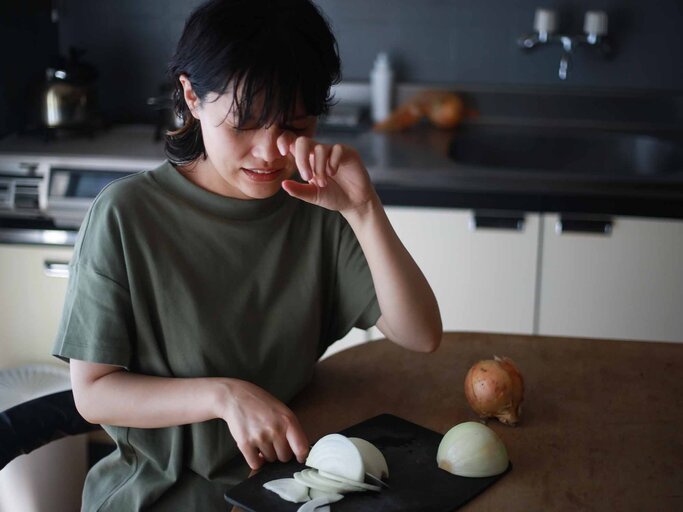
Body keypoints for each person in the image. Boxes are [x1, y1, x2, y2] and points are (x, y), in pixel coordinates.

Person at [53, 0, 442, 510]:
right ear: (192, 97)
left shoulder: (317, 206)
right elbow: (94, 393)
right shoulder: (125, 215)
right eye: (244, 124)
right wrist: (224, 395)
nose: (269, 153)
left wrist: (364, 210)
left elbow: (421, 334)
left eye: (295, 127)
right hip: (160, 497)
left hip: (287, 491)